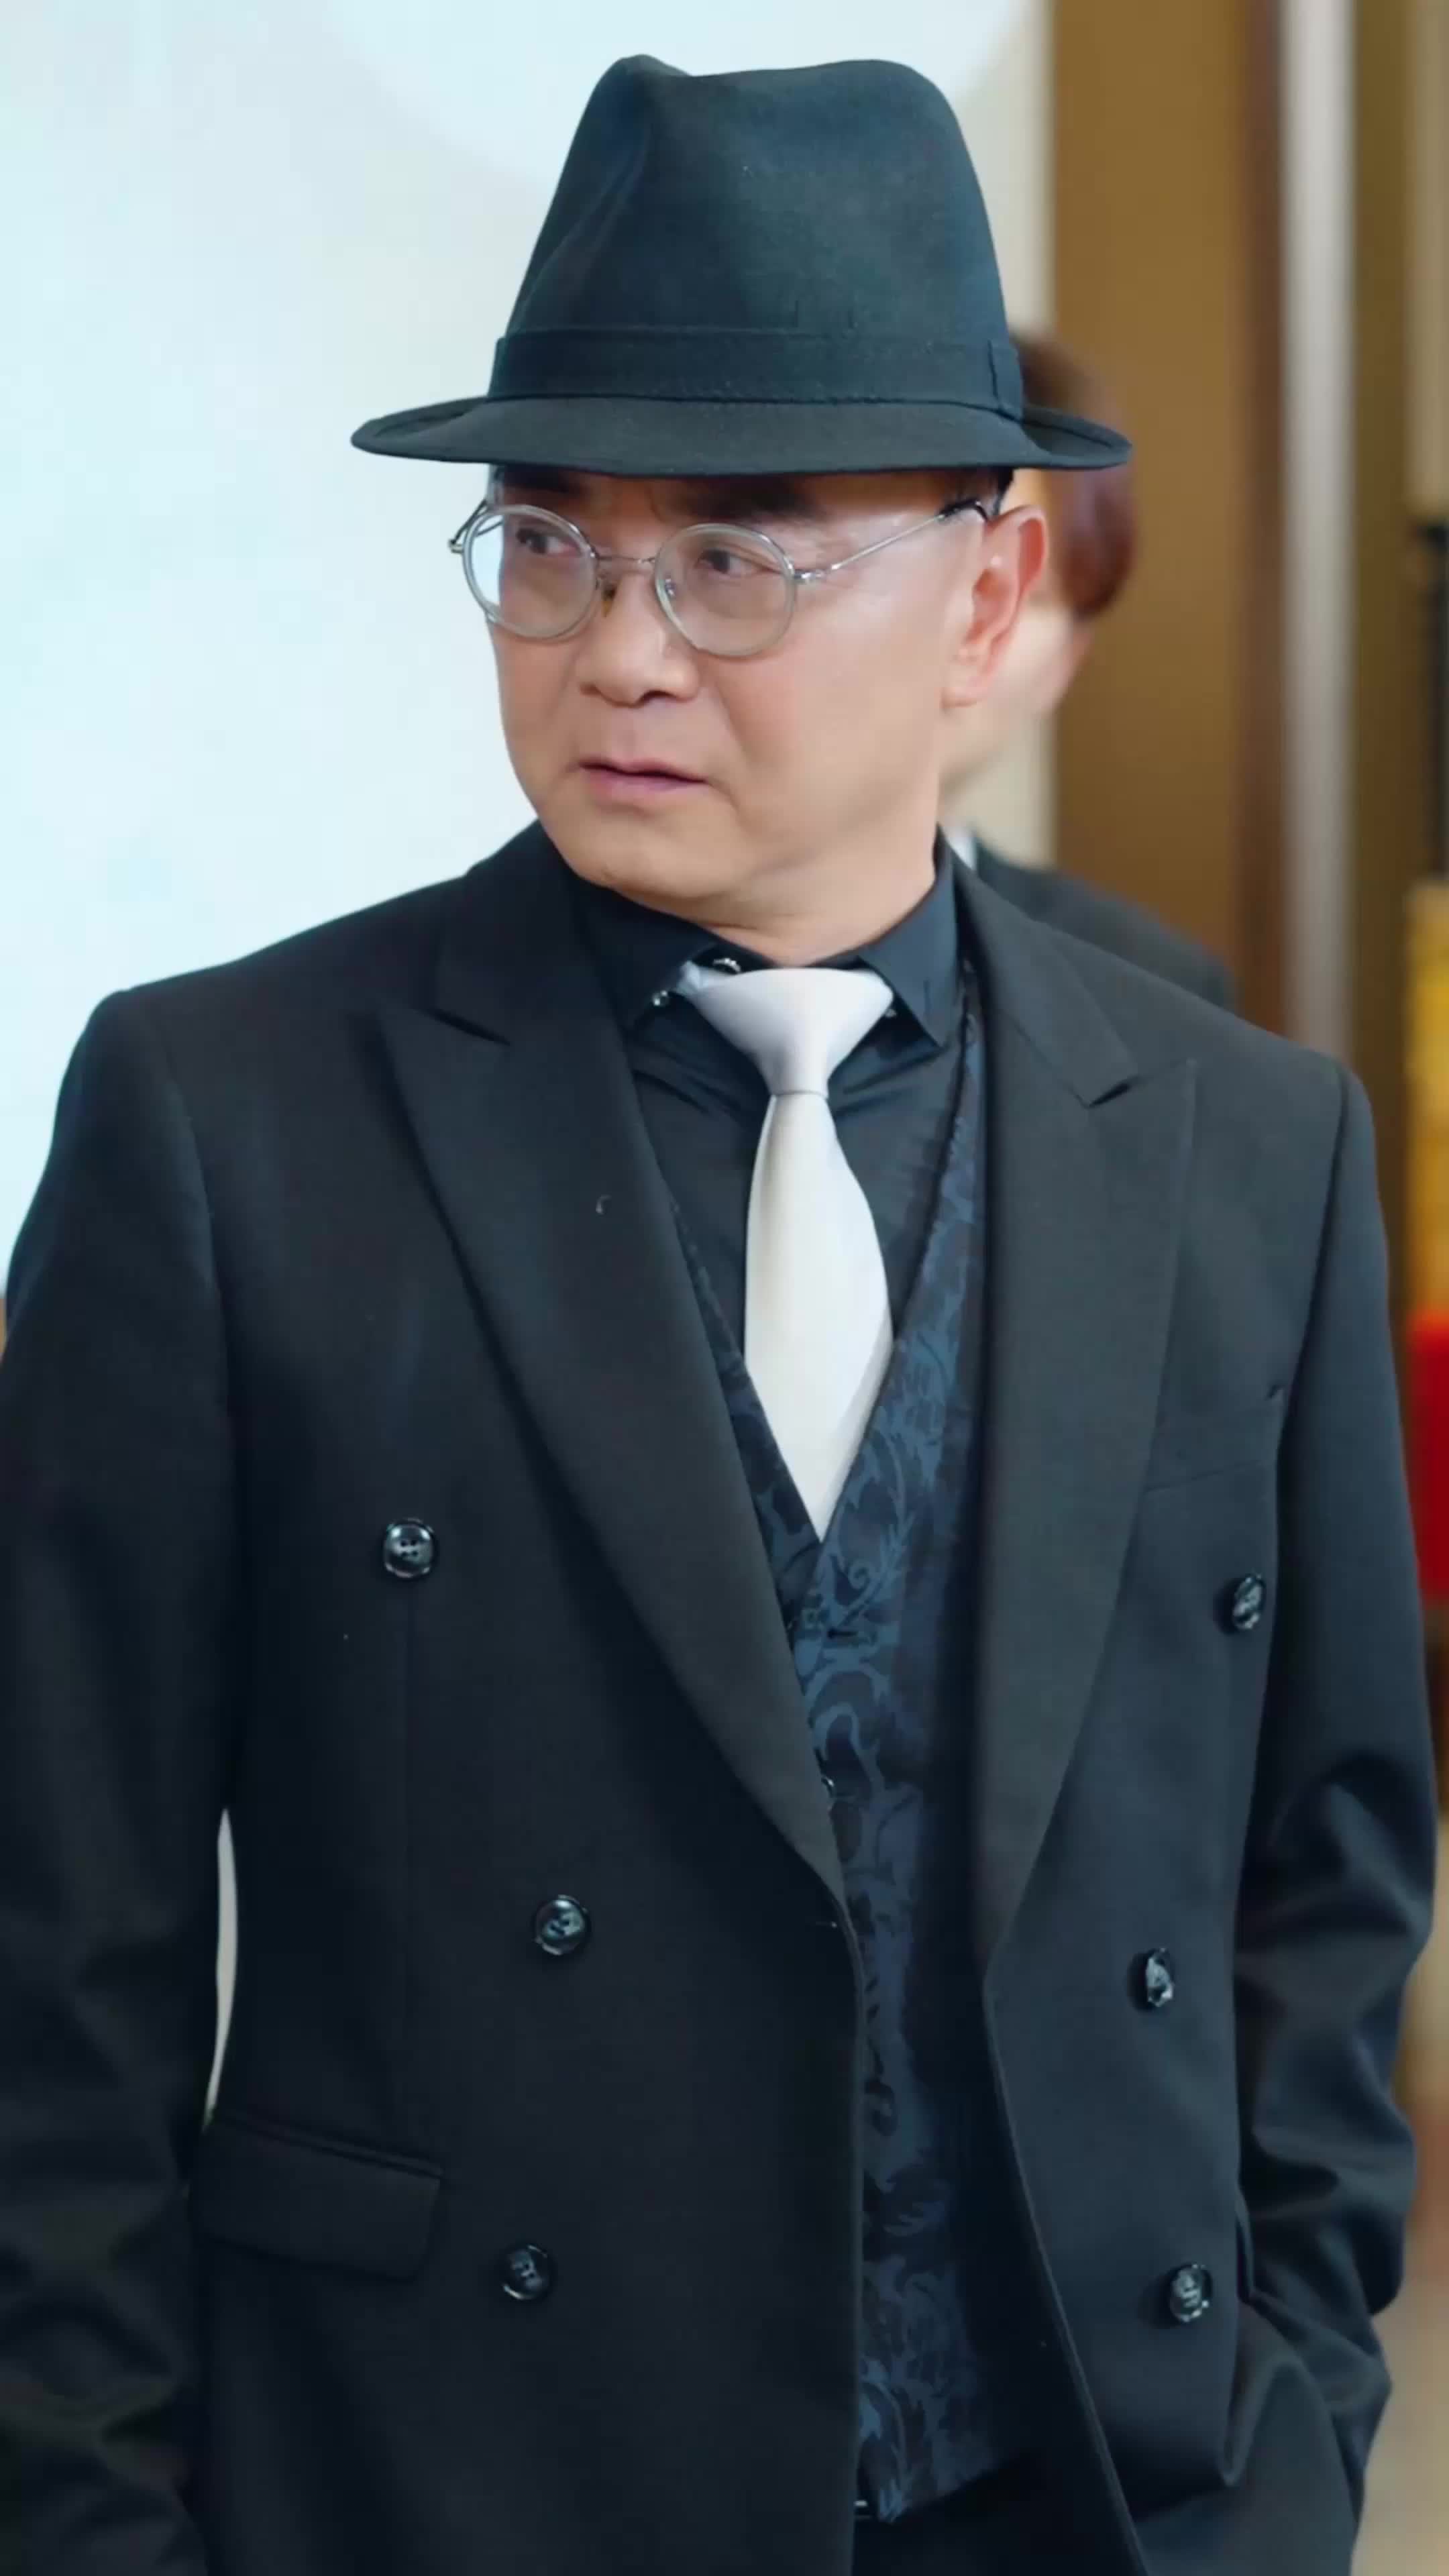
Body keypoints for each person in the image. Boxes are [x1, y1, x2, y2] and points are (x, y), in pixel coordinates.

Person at [0, 54, 1434, 2576]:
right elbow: (55, 1962)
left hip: (1090, 2498)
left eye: (737, 559)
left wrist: (1290, 2424)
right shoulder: (224, 1123)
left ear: (984, 590)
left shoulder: (1247, 1145)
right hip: (445, 2497)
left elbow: (1318, 1879)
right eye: (550, 547)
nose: (618, 655)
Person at [941, 331, 1234, 1011]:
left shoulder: (1153, 991)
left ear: (1066, 664)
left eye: (1018, 595)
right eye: (933, 571)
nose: (959, 631)